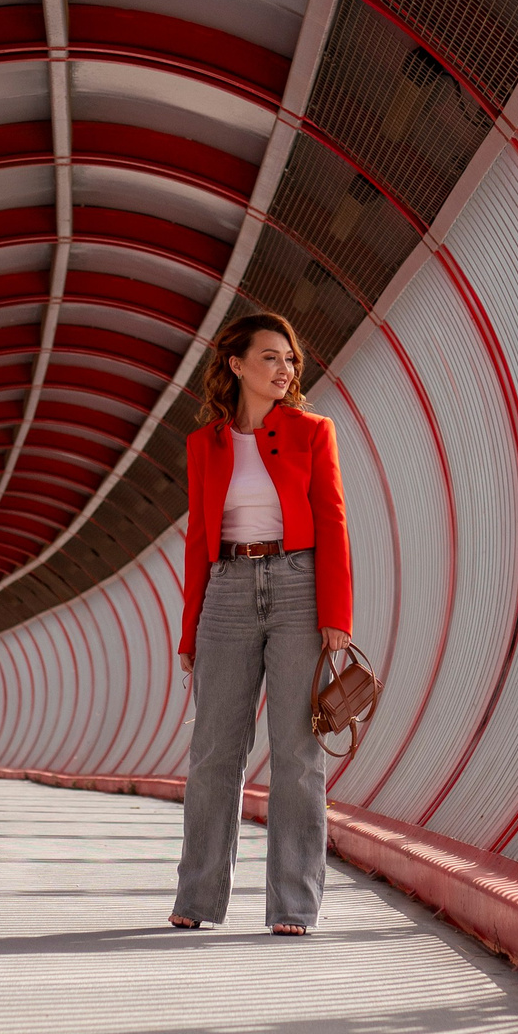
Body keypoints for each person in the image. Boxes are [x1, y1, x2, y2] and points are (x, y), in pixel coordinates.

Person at [168, 312, 354, 936]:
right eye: (271, 357)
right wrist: (189, 627)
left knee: (298, 753)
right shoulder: (205, 445)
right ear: (236, 364)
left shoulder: (313, 432)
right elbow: (199, 539)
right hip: (227, 591)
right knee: (215, 751)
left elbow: (331, 522)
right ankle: (197, 899)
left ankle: (294, 906)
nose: (285, 370)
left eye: (290, 360)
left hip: (299, 587)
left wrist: (336, 616)